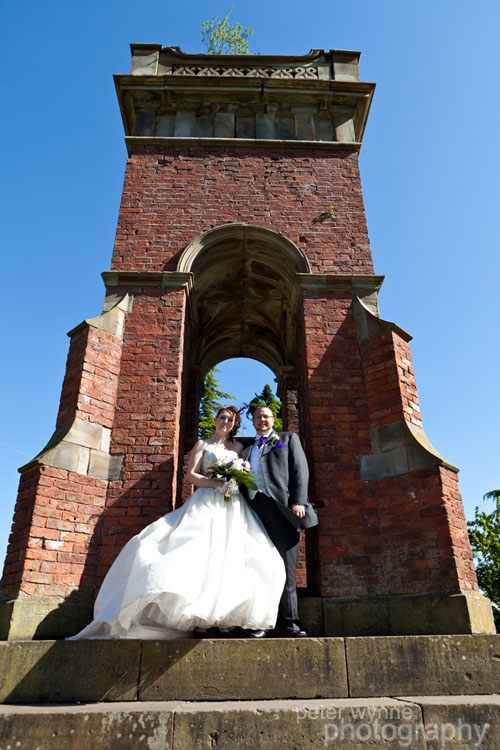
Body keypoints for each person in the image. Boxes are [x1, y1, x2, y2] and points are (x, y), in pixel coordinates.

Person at [68, 405, 286, 640]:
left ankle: (223, 620)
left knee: (229, 558)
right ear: (215, 420)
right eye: (222, 418)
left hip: (233, 506)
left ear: (235, 425)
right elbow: (192, 474)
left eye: (230, 420)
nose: (225, 422)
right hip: (207, 502)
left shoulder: (239, 447)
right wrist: (216, 484)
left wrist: (235, 483)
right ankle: (198, 620)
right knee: (199, 554)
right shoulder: (203, 445)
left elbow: (249, 473)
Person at [241, 406, 318, 638]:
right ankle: (262, 622)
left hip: (281, 508)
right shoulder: (245, 447)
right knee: (257, 568)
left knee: (286, 568)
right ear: (252, 421)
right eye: (257, 416)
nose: (262, 419)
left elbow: (299, 470)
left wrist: (299, 501)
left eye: (266, 416)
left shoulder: (285, 439)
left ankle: (290, 623)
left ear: (273, 419)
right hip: (253, 509)